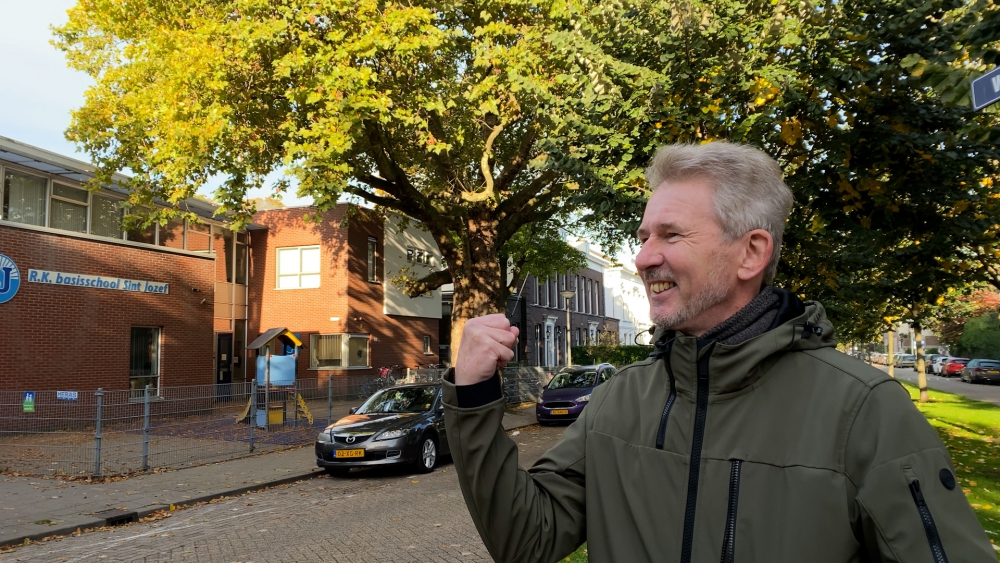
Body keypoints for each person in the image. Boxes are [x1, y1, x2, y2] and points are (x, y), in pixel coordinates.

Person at [441, 142, 994, 563]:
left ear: (751, 253)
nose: (641, 257)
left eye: (670, 236)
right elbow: (525, 540)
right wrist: (472, 396)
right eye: (642, 236)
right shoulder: (617, 401)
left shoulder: (862, 409)